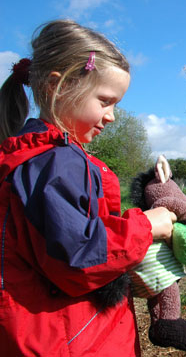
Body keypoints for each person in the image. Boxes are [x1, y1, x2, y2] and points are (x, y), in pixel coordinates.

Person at [0, 20, 176, 356]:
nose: (111, 116)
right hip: (72, 341)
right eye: (106, 101)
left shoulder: (24, 157)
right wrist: (145, 226)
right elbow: (78, 257)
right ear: (58, 87)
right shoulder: (56, 162)